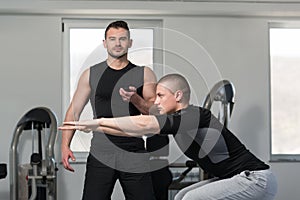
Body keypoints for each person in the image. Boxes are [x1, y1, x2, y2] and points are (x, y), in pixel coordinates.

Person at [60, 73, 278, 200]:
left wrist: (98, 122)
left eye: (160, 96)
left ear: (178, 95)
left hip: (255, 178)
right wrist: (96, 128)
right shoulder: (178, 119)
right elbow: (133, 128)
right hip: (235, 179)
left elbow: (143, 124)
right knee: (182, 196)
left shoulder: (193, 115)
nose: (155, 101)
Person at [61, 20, 158, 200]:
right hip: (101, 151)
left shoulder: (144, 73)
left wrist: (135, 99)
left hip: (133, 151)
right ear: (105, 43)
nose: (118, 43)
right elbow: (74, 112)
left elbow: (154, 114)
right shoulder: (91, 74)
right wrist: (65, 145)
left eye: (122, 39)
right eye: (112, 39)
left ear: (130, 43)